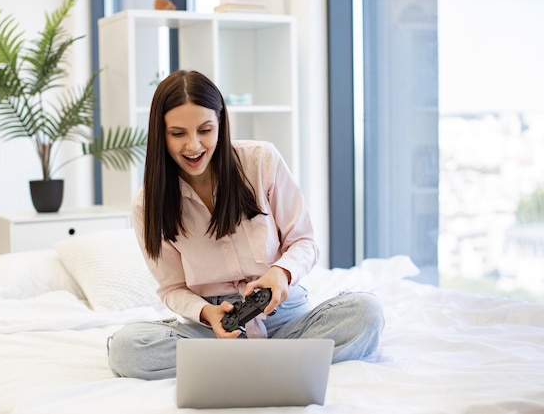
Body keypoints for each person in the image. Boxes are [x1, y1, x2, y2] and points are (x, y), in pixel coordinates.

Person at [107, 70, 384, 380]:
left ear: (221, 124)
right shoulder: (148, 203)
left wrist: (280, 272)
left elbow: (303, 241)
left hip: (283, 315)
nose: (193, 145)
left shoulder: (261, 161)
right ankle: (284, 362)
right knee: (127, 349)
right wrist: (206, 313)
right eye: (178, 133)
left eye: (205, 129)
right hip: (216, 329)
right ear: (161, 134)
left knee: (365, 312)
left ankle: (243, 367)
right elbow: (172, 288)